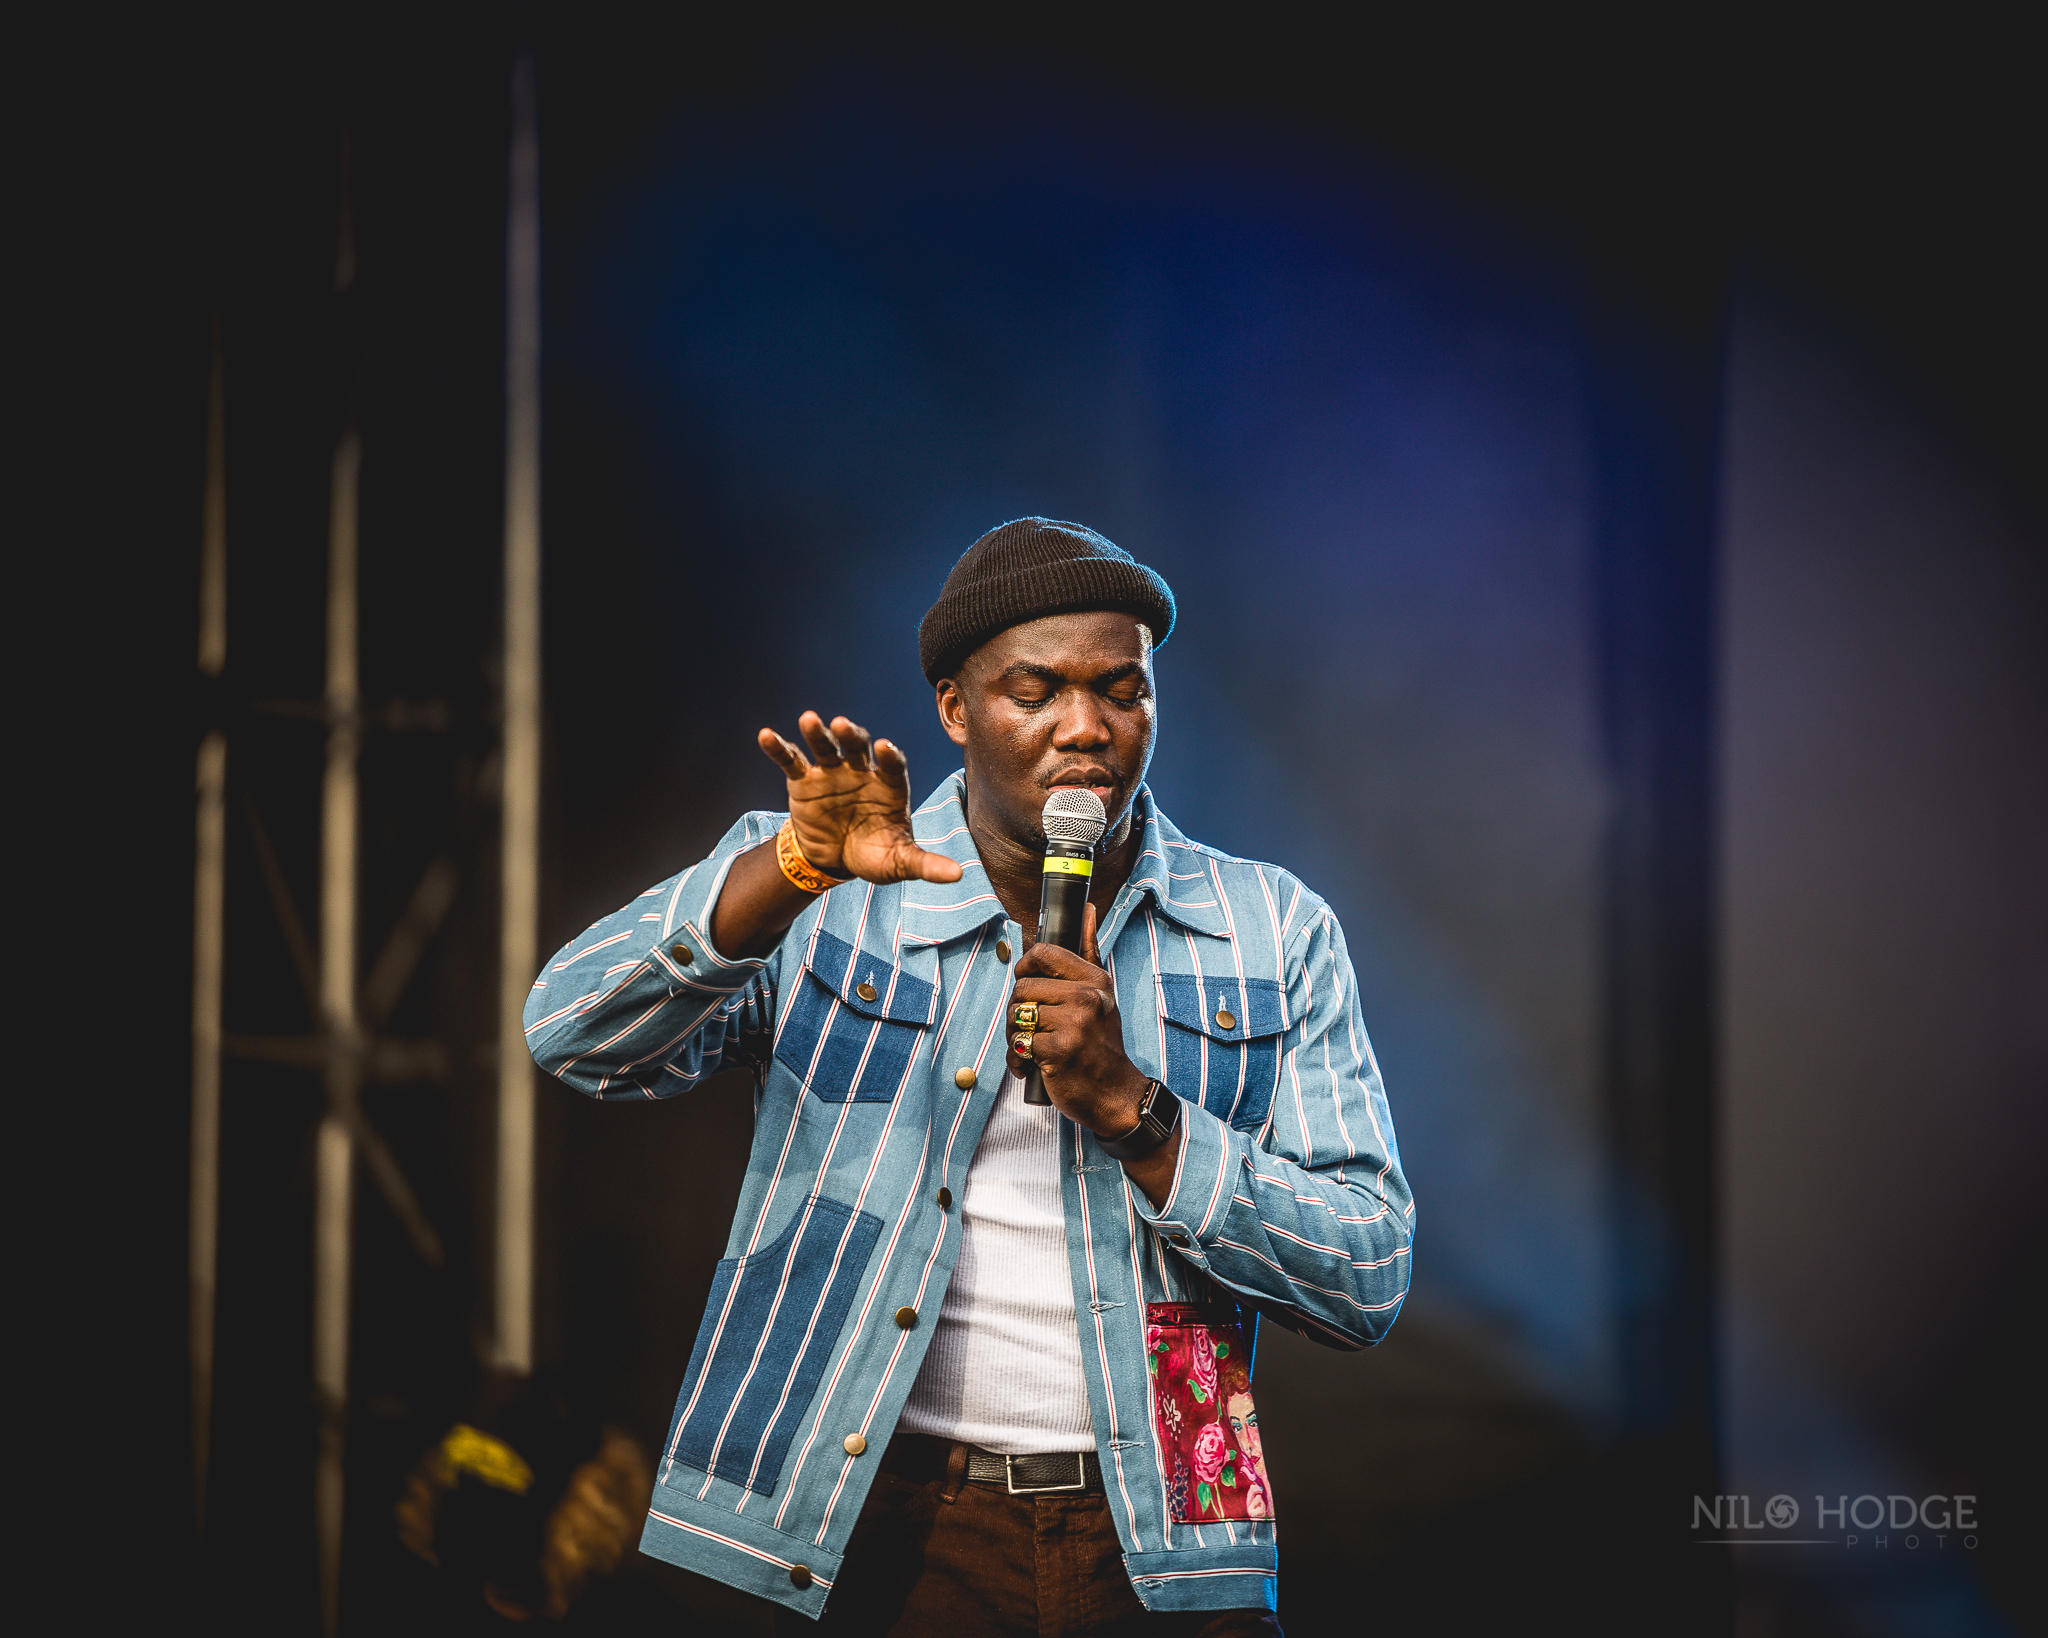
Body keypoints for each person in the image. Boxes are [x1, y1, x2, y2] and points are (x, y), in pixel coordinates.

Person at [526, 519, 1414, 1634]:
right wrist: (790, 872)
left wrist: (1136, 1115)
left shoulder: (1269, 928)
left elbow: (1366, 1273)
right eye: (1033, 690)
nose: (1084, 728)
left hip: (1177, 1533)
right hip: (870, 1517)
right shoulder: (824, 881)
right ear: (954, 709)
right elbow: (568, 1033)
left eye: (1120, 691)